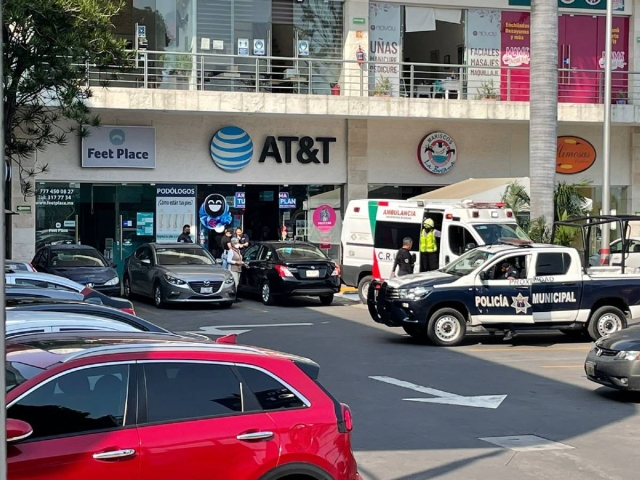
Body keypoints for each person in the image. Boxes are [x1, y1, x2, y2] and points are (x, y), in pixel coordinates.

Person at [225, 237, 244, 302]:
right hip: (233, 269)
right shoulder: (231, 251)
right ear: (233, 244)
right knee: (235, 283)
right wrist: (236, 262)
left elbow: (240, 259)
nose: (238, 244)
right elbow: (228, 260)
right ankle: (233, 297)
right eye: (236, 243)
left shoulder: (238, 251)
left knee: (237, 283)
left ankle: (235, 297)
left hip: (238, 268)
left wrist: (243, 263)